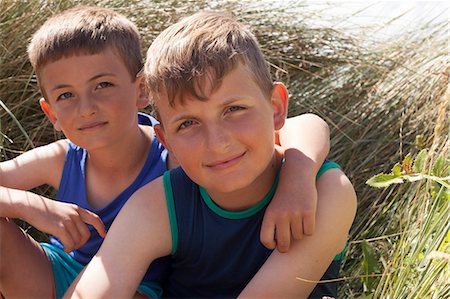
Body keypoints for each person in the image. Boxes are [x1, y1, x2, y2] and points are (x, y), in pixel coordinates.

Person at [0, 6, 333, 299]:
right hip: (58, 273)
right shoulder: (63, 157)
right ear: (51, 113)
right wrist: (31, 206)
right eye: (66, 95)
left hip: (140, 287)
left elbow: (303, 123)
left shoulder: (179, 152)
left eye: (103, 85)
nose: (86, 108)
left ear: (140, 89)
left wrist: (298, 176)